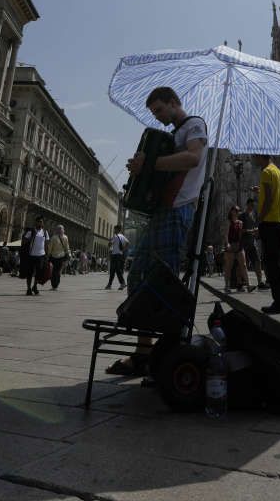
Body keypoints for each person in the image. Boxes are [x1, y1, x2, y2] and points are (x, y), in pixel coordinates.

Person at [106, 86, 207, 376]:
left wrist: (149, 163)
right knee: (140, 275)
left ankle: (163, 351)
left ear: (174, 102)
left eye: (160, 110)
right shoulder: (172, 134)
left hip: (177, 210)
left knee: (163, 278)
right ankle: (145, 352)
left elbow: (193, 158)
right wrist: (141, 170)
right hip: (163, 211)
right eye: (154, 113)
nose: (159, 117)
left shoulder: (194, 124)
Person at [252, 153, 280, 314]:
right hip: (278, 221)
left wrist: (260, 219)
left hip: (269, 223)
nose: (254, 160)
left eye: (255, 157)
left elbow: (269, 200)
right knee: (277, 263)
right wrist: (260, 191)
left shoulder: (266, 172)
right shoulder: (277, 171)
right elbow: (274, 195)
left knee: (271, 266)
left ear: (260, 156)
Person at [222, 204, 252, 292]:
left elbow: (240, 235)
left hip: (239, 246)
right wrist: (227, 244)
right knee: (229, 267)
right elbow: (226, 234)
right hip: (230, 245)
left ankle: (248, 285)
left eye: (238, 210)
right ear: (232, 211)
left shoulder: (240, 222)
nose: (237, 212)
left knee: (243, 265)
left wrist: (241, 244)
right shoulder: (228, 222)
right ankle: (227, 286)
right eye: (236, 210)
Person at [242, 197, 266, 290]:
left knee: (257, 261)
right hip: (244, 243)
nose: (252, 207)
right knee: (245, 264)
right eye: (251, 205)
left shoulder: (253, 215)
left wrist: (256, 232)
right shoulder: (242, 215)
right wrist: (252, 231)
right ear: (247, 205)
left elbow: (256, 227)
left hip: (252, 242)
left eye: (253, 205)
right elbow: (240, 230)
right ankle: (243, 282)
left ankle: (260, 282)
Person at [24, 215, 49, 296]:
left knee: (39, 273)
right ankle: (28, 289)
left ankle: (34, 286)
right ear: (35, 222)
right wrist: (31, 238)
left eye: (41, 222)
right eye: (38, 222)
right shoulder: (31, 231)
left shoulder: (45, 232)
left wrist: (47, 255)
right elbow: (24, 241)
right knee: (30, 273)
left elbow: (46, 244)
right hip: (31, 255)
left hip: (41, 255)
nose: (40, 223)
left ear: (42, 223)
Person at [47, 223, 70, 290]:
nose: (60, 230)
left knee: (57, 271)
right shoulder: (54, 237)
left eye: (61, 229)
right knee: (55, 271)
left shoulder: (65, 237)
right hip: (54, 256)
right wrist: (48, 254)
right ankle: (54, 285)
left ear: (63, 230)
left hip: (60, 256)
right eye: (59, 229)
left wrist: (68, 254)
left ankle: (55, 285)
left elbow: (67, 247)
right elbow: (50, 247)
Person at [104, 225, 128, 289]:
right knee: (114, 270)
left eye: (114, 229)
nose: (114, 230)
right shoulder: (122, 236)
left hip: (115, 255)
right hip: (120, 255)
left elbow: (109, 244)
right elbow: (128, 243)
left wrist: (110, 243)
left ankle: (122, 283)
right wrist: (123, 249)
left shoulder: (115, 236)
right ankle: (110, 284)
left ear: (117, 229)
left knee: (115, 270)